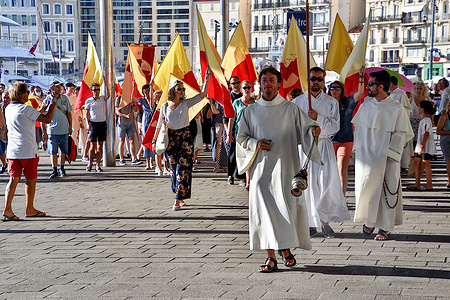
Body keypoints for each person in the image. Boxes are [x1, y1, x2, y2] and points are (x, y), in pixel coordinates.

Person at [236, 66, 321, 272]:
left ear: (278, 83)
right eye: (264, 80)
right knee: (263, 212)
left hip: (285, 167)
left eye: (272, 80)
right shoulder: (250, 111)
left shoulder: (290, 109)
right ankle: (271, 257)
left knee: (283, 210)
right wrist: (256, 143)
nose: (267, 83)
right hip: (261, 170)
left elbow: (306, 131)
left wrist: (314, 129)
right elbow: (241, 138)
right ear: (260, 84)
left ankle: (284, 248)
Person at [352, 70, 414, 241]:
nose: (368, 87)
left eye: (371, 84)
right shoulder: (365, 106)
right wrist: (359, 151)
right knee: (368, 189)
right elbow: (357, 130)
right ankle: (369, 220)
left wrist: (390, 153)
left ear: (381, 86)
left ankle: (385, 227)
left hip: (387, 157)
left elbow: (402, 133)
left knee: (387, 192)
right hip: (366, 157)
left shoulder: (396, 108)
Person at [292, 67, 350, 238]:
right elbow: (293, 126)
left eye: (319, 79)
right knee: (308, 185)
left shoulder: (331, 102)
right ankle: (311, 223)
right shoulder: (298, 102)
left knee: (325, 182)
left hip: (324, 145)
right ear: (308, 80)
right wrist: (307, 131)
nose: (316, 82)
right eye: (313, 79)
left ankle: (324, 220)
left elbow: (335, 126)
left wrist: (319, 119)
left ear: (324, 81)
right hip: (305, 147)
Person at [153, 70, 210, 211]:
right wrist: (154, 140)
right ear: (173, 90)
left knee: (183, 169)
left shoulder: (186, 103)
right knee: (173, 170)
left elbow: (202, 95)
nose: (182, 91)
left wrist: (206, 79)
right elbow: (159, 124)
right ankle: (179, 194)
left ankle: (177, 199)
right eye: (179, 89)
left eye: (183, 89)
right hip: (171, 139)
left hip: (185, 138)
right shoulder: (165, 106)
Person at [2, 81, 57, 221]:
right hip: (28, 149)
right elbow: (48, 119)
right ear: (21, 94)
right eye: (27, 92)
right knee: (30, 180)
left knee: (13, 179)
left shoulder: (9, 108)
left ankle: (7, 209)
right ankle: (30, 208)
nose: (29, 94)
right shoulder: (26, 108)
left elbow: (26, 119)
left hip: (13, 150)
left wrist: (41, 109)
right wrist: (52, 107)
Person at [330, 68, 365, 196]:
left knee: (341, 169)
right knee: (328, 169)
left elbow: (360, 92)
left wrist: (361, 77)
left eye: (337, 88)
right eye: (332, 88)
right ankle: (330, 194)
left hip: (346, 139)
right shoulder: (326, 103)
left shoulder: (348, 102)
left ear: (342, 90)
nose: (334, 90)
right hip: (329, 140)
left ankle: (341, 195)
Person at [227, 80, 256, 189]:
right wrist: (229, 133)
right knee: (240, 156)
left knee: (250, 156)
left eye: (249, 87)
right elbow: (232, 118)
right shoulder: (237, 103)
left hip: (252, 133)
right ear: (241, 90)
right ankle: (241, 178)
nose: (247, 90)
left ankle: (248, 181)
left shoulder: (255, 103)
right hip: (239, 133)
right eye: (244, 88)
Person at [41, 80, 72, 178]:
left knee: (63, 150)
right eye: (57, 87)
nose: (59, 88)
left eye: (60, 87)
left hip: (64, 129)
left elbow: (69, 113)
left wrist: (70, 126)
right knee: (53, 151)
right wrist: (44, 132)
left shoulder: (65, 98)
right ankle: (54, 170)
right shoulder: (47, 100)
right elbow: (42, 116)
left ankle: (62, 168)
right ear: (52, 88)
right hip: (52, 130)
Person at [406, 101, 437, 191]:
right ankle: (417, 183)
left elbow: (426, 133)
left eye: (420, 107)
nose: (418, 109)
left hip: (424, 145)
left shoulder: (427, 120)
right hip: (421, 144)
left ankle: (429, 183)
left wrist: (422, 146)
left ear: (423, 109)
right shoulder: (423, 120)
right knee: (417, 162)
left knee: (425, 162)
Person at [408, 82, 432, 177]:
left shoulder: (427, 99)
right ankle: (415, 168)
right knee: (414, 146)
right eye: (417, 88)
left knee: (423, 146)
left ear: (424, 90)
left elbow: (431, 113)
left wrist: (431, 123)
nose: (418, 90)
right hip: (413, 124)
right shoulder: (410, 99)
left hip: (424, 123)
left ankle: (420, 167)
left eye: (420, 88)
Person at [224, 76, 243, 185]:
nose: (236, 85)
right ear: (230, 85)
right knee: (232, 154)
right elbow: (225, 118)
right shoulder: (228, 97)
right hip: (230, 130)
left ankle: (241, 176)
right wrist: (228, 133)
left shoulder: (243, 96)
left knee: (242, 153)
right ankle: (230, 175)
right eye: (233, 83)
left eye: (238, 82)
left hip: (241, 129)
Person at [84, 83, 107, 172]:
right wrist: (88, 123)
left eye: (98, 90)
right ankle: (90, 163)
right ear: (92, 91)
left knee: (100, 146)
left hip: (102, 123)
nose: (97, 92)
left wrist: (107, 85)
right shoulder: (89, 101)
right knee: (92, 146)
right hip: (93, 124)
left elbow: (109, 95)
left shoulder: (102, 98)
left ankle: (98, 164)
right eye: (95, 90)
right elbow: (87, 113)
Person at [116, 94, 142, 166]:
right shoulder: (119, 99)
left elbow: (136, 110)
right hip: (122, 123)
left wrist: (133, 105)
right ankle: (121, 159)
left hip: (131, 123)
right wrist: (125, 115)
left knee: (132, 140)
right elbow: (117, 112)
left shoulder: (131, 98)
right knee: (122, 140)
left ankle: (133, 158)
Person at [139, 85, 157, 170]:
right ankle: (147, 162)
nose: (146, 92)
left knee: (153, 140)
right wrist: (133, 88)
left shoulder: (153, 100)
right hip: (145, 120)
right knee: (145, 140)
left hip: (153, 121)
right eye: (144, 91)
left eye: (147, 90)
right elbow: (132, 99)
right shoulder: (142, 99)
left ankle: (152, 161)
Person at [436, 101, 450, 188]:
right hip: (446, 142)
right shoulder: (444, 117)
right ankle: (449, 179)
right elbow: (438, 131)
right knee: (449, 161)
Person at [0, 91, 11, 173]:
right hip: (1, 132)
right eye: (4, 98)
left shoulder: (13, 108)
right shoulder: (0, 107)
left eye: (8, 98)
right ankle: (4, 164)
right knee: (1, 151)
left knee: (10, 151)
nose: (5, 100)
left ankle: (10, 166)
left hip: (11, 132)